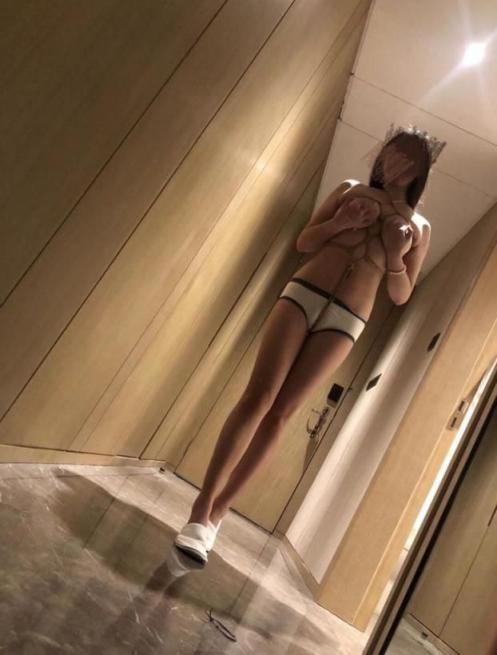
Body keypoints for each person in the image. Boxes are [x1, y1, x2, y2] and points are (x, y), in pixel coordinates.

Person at [174, 124, 446, 563]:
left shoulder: (420, 226)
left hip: (348, 318)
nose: (396, 162)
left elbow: (400, 295)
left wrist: (396, 255)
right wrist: (342, 222)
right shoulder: (351, 188)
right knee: (258, 397)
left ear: (420, 172)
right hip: (304, 293)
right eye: (392, 152)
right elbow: (304, 242)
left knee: (281, 413)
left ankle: (218, 515)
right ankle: (199, 510)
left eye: (409, 158)